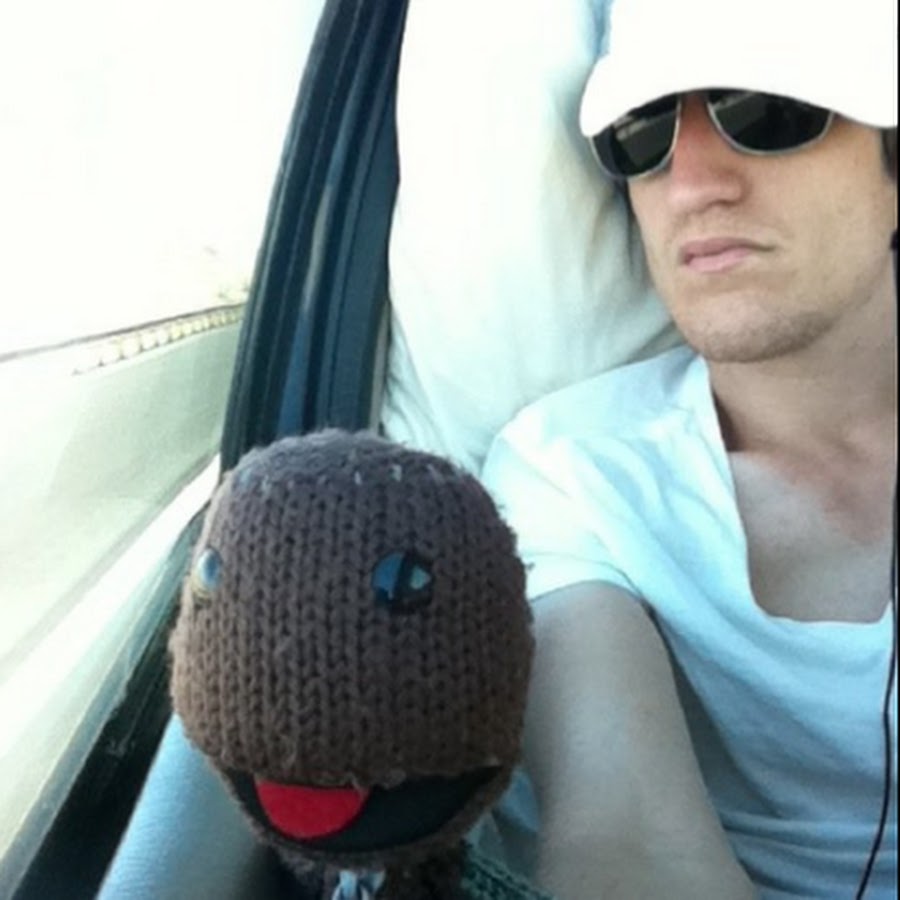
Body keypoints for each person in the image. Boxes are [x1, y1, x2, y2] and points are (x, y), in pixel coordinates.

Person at [481, 0, 898, 897]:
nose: (692, 185)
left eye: (768, 111)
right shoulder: (575, 472)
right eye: (643, 134)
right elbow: (622, 839)